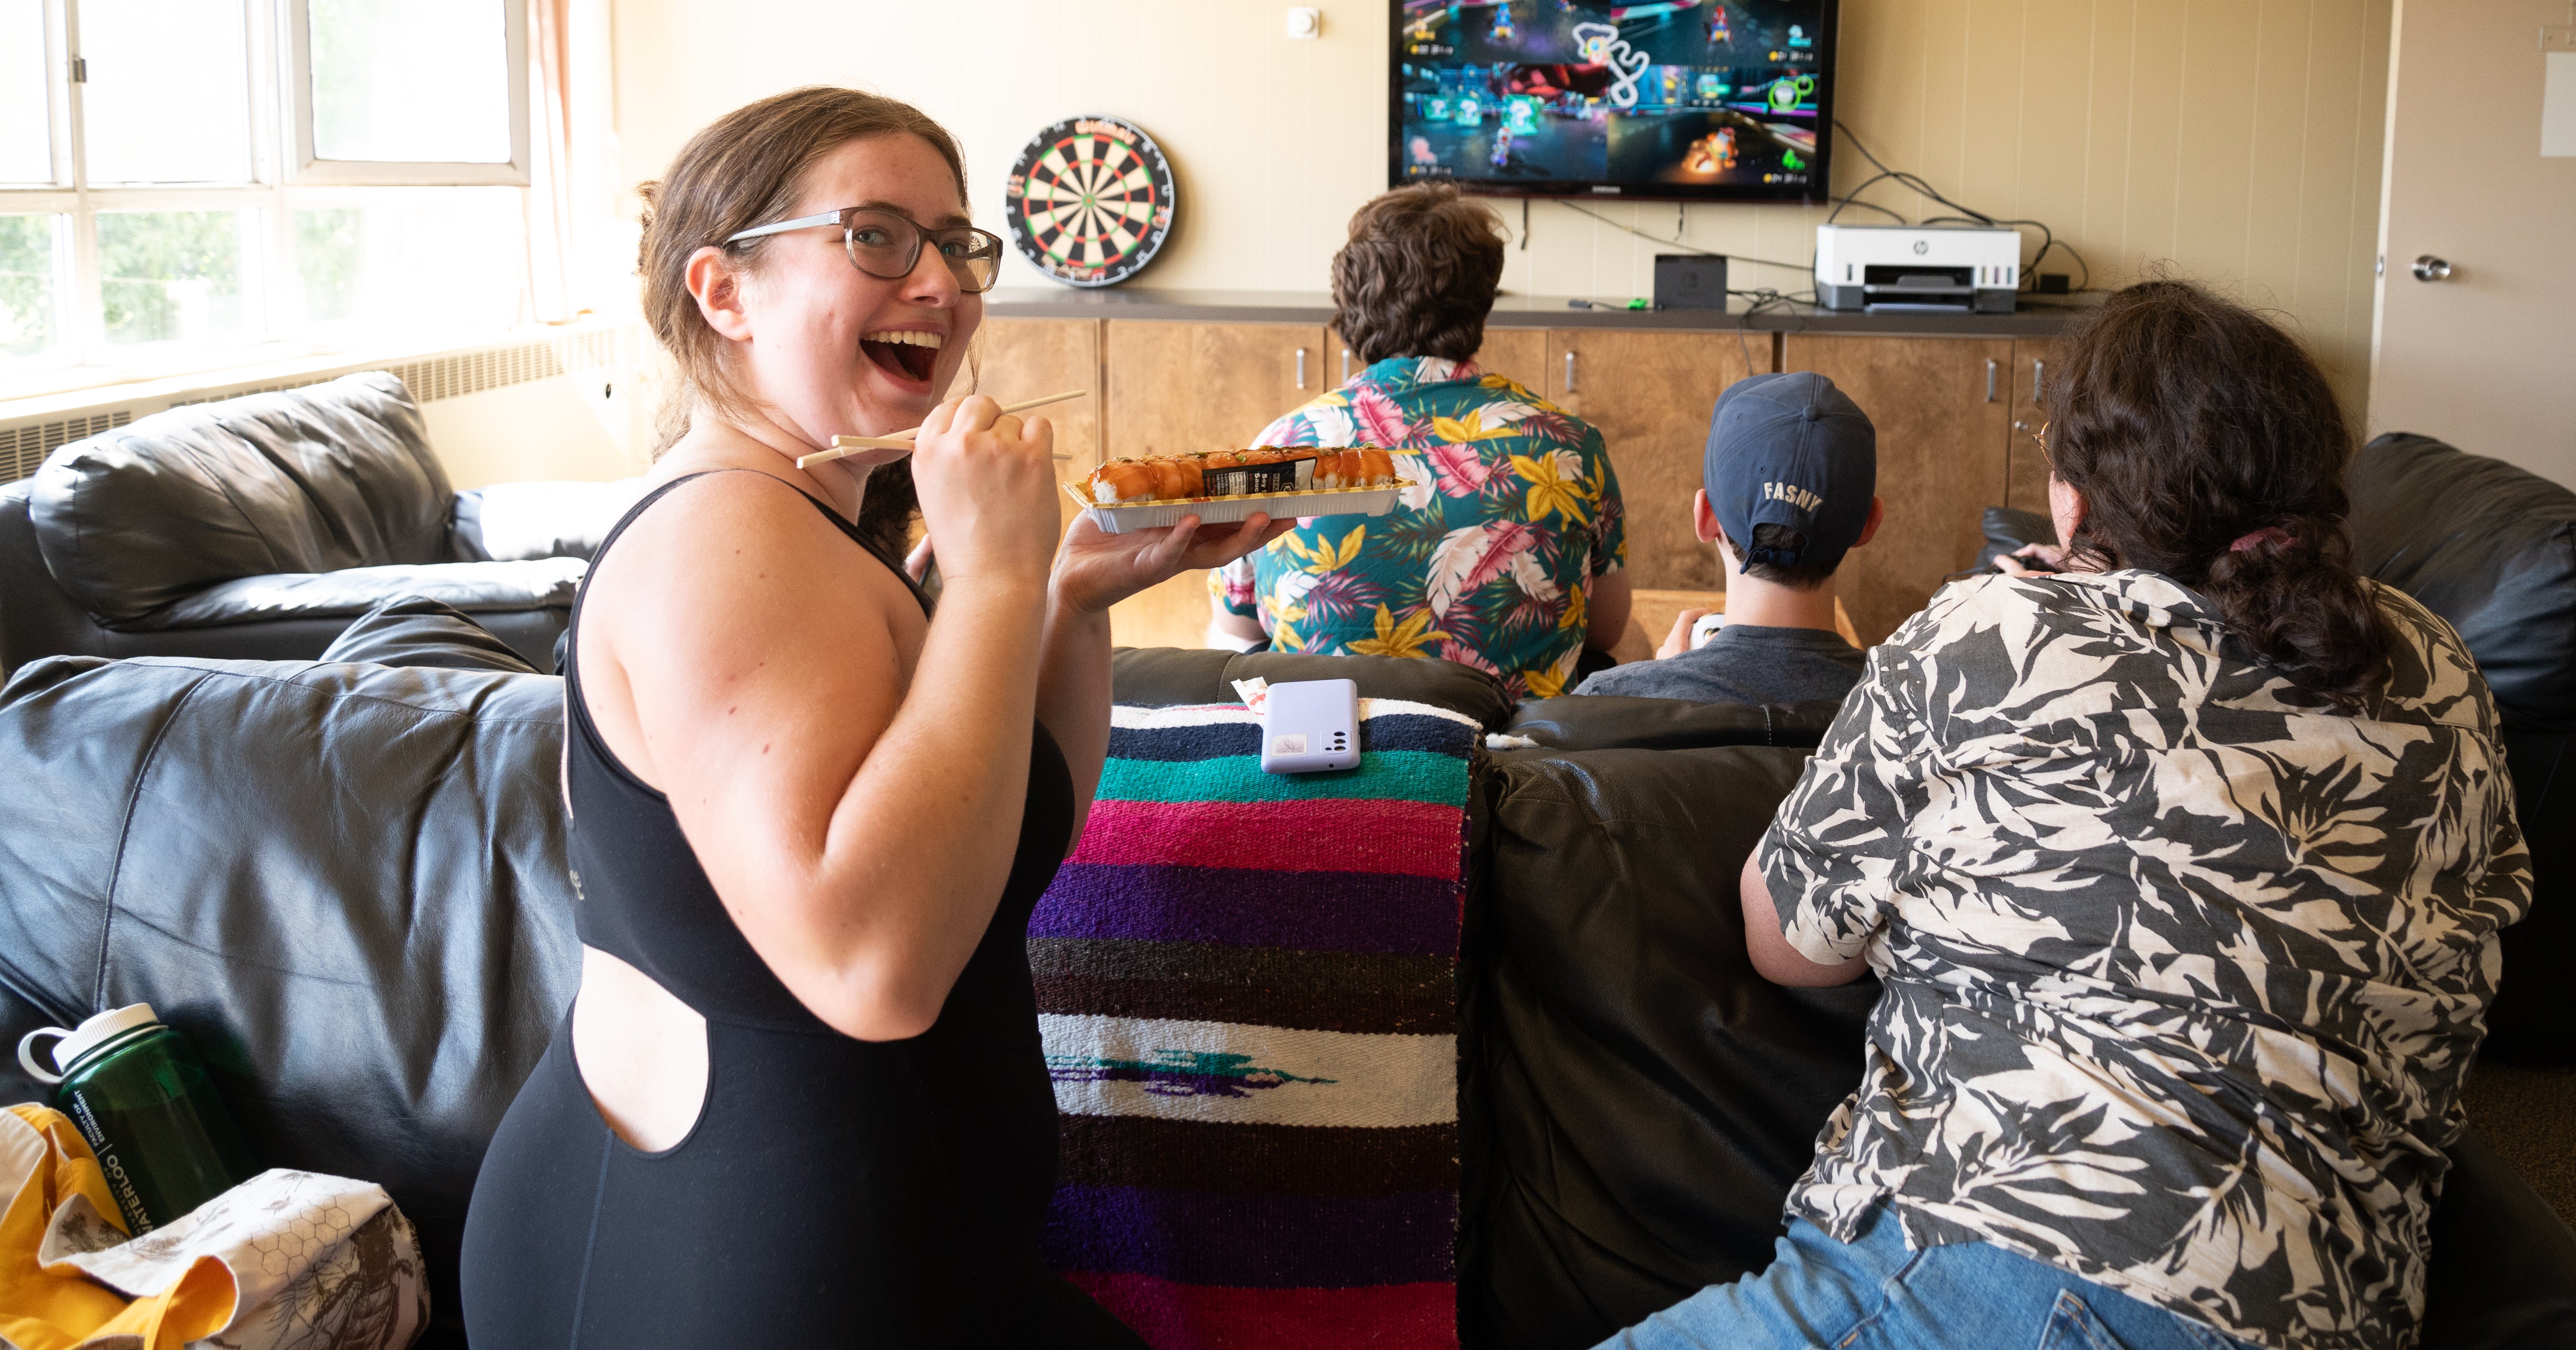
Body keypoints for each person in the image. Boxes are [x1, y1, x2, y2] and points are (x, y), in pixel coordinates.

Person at [462, 88, 1275, 1345]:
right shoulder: (732, 536)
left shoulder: (807, 524)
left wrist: (1064, 599)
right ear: (725, 293)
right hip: (732, 1266)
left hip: (816, 1241)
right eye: (876, 236)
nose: (943, 283)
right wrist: (993, 575)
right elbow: (875, 969)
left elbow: (987, 850)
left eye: (957, 244)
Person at [1605, 282, 2534, 1350]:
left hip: (2023, 1263)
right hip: (2346, 1304)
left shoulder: (1996, 629)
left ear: (2073, 504)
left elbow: (1788, 940)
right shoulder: (2444, 668)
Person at [1209, 183, 1631, 702]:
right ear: (1481, 302)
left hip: (1332, 738)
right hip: (1511, 748)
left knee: (1225, 642)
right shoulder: (1568, 442)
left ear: (1350, 300)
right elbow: (1607, 631)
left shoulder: (1282, 445)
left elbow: (1240, 622)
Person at [1572, 371, 1880, 708]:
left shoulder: (1602, 703)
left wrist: (1664, 682)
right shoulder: (1907, 714)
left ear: (1705, 518)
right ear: (1868, 526)